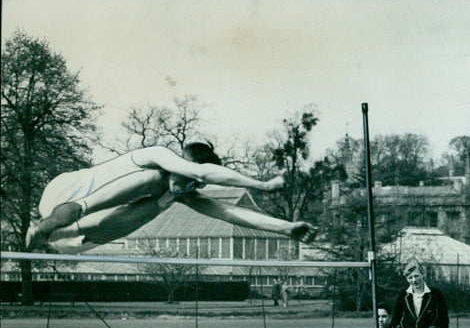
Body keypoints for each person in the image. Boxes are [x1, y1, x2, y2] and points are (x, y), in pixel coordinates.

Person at [26, 143, 317, 253]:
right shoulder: (158, 156)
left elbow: (229, 214)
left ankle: (61, 231)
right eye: (186, 180)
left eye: (194, 186)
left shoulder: (180, 192)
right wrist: (262, 185)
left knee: (160, 202)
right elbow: (196, 171)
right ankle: (50, 226)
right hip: (65, 195)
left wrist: (286, 228)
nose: (186, 187)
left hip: (75, 239)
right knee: (155, 179)